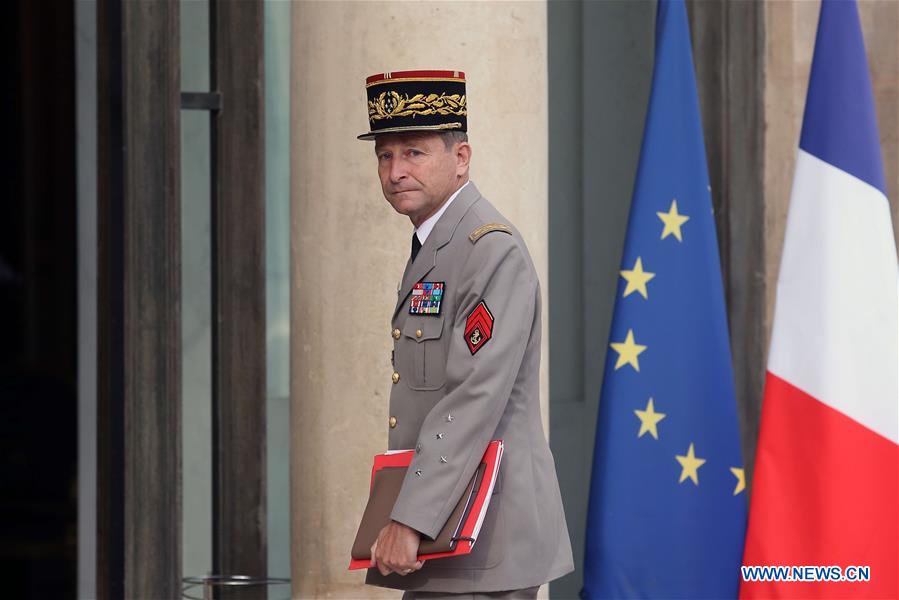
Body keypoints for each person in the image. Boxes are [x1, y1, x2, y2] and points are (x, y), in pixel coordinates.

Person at [358, 70, 574, 599]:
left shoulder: (489, 249)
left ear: (461, 158)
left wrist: (410, 518)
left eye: (414, 152)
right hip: (451, 529)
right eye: (385, 156)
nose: (395, 171)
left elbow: (474, 395)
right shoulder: (439, 244)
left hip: (483, 538)